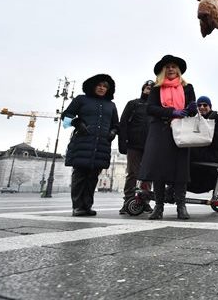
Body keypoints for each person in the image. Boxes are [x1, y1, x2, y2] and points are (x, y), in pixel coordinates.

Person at [138, 55, 197, 220]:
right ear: (163, 71)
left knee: (180, 169)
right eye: (168, 67)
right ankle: (158, 206)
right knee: (158, 170)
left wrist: (191, 108)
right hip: (160, 130)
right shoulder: (157, 88)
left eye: (173, 66)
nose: (171, 69)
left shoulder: (187, 87)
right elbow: (150, 109)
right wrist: (172, 112)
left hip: (181, 131)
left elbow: (192, 110)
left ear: (178, 70)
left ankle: (181, 205)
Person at [62, 74, 119, 217]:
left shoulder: (111, 105)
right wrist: (77, 123)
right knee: (80, 175)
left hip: (101, 145)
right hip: (83, 142)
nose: (102, 88)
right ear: (93, 86)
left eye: (105, 86)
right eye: (99, 85)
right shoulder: (81, 99)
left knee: (93, 177)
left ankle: (87, 206)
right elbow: (67, 115)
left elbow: (116, 124)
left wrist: (112, 132)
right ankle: (77, 206)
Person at [117, 80, 155, 215]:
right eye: (146, 86)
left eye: (151, 87)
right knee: (132, 174)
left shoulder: (156, 106)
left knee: (147, 175)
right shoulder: (133, 104)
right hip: (133, 144)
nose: (148, 88)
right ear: (142, 88)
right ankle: (128, 201)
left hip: (151, 145)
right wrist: (122, 143)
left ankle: (144, 202)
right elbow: (123, 124)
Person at [189, 96, 218, 192]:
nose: (202, 107)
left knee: (185, 153)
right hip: (198, 153)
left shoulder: (217, 119)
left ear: (210, 106)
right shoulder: (194, 120)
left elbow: (217, 141)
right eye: (199, 105)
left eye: (205, 105)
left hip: (212, 154)